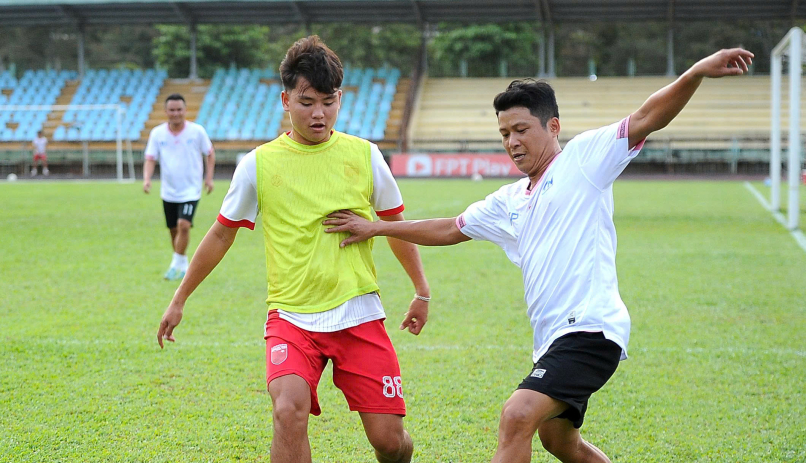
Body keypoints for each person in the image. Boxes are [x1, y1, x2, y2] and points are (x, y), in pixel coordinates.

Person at [324, 48, 754, 463]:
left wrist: (695, 72)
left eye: (521, 130)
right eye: (504, 134)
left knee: (517, 415)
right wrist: (376, 227)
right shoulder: (509, 199)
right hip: (552, 339)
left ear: (553, 127)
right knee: (560, 441)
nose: (512, 142)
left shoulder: (583, 160)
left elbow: (645, 118)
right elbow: (450, 228)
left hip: (590, 329)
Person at [156, 35, 430, 463]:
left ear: (340, 98)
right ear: (286, 100)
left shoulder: (366, 156)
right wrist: (179, 298)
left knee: (389, 442)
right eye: (306, 102)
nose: (319, 113)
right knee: (288, 411)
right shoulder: (258, 164)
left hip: (358, 312)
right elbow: (222, 234)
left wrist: (421, 290)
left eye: (328, 101)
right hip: (291, 317)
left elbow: (395, 225)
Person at [143, 93, 215, 280]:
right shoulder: (157, 133)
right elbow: (150, 158)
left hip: (191, 190)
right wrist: (147, 179)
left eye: (179, 110)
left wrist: (209, 178)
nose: (176, 113)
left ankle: (175, 264)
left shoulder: (197, 131)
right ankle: (182, 264)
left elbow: (209, 153)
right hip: (168, 191)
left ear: (185, 110)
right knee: (174, 229)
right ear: (166, 111)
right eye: (172, 110)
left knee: (184, 225)